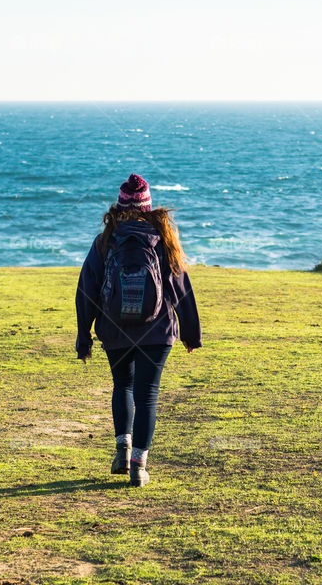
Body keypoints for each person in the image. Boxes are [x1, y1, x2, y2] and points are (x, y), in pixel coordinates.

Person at [75, 173, 202, 487]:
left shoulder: (105, 240)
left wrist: (84, 338)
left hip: (114, 330)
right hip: (157, 333)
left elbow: (86, 291)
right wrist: (190, 333)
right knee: (147, 396)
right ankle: (139, 466)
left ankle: (122, 447)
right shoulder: (163, 238)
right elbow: (181, 288)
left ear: (119, 206)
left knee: (123, 387)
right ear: (148, 206)